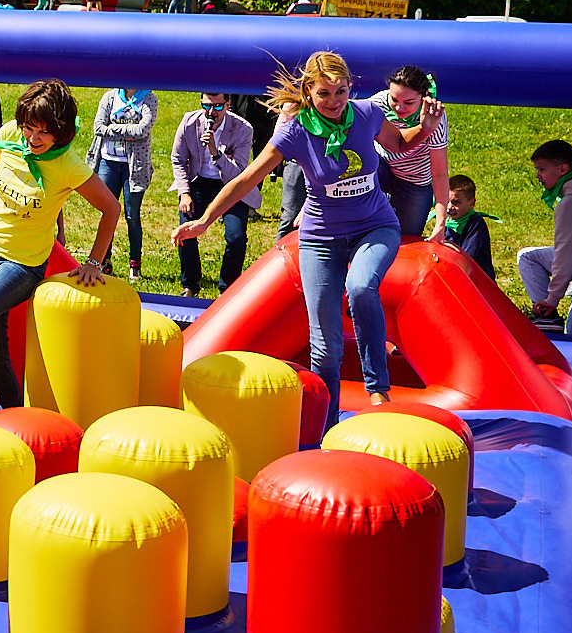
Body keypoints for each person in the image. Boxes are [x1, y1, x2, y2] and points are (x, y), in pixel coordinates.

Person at [174, 51, 443, 414]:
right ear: (308, 92)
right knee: (326, 343)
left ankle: (377, 389)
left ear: (351, 88)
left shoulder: (367, 114)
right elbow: (247, 178)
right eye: (324, 94)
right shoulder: (296, 131)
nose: (334, 102)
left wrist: (425, 128)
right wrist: (205, 220)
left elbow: (400, 144)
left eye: (341, 92)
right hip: (321, 236)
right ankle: (325, 421)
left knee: (362, 287)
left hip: (374, 225)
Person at [0, 79, 119, 420]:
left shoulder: (68, 165)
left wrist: (94, 262)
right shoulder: (13, 132)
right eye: (29, 128)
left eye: (43, 132)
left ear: (60, 130)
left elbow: (111, 208)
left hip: (22, 264)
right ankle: (15, 416)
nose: (32, 138)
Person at [169, 93, 257, 297]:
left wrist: (215, 153)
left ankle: (227, 289)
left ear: (228, 105)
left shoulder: (243, 128)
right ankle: (190, 285)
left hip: (231, 185)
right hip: (198, 182)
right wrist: (184, 193)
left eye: (218, 106)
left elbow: (238, 173)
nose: (211, 112)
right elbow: (178, 159)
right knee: (186, 230)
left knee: (236, 237)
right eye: (207, 106)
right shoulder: (189, 122)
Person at [518, 139, 572, 337]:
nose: (538, 176)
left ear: (563, 169)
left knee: (528, 257)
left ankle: (547, 317)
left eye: (542, 169)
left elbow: (565, 254)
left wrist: (552, 299)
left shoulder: (571, 202)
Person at [89, 87, 159, 281]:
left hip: (134, 167)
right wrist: (128, 132)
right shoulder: (110, 97)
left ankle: (135, 264)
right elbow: (98, 128)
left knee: (132, 216)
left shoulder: (149, 99)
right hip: (108, 162)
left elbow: (143, 130)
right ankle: (103, 260)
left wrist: (112, 128)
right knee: (106, 212)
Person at [372, 66, 450, 238]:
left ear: (424, 98)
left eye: (408, 102)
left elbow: (439, 174)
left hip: (414, 180)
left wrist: (440, 223)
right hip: (382, 167)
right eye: (394, 99)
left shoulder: (434, 116)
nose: (399, 108)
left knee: (407, 236)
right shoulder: (378, 104)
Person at [443, 174, 497, 280]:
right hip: (454, 273)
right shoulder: (446, 221)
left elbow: (467, 257)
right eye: (446, 201)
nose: (449, 207)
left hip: (478, 281)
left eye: (456, 202)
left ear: (471, 204)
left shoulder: (475, 224)